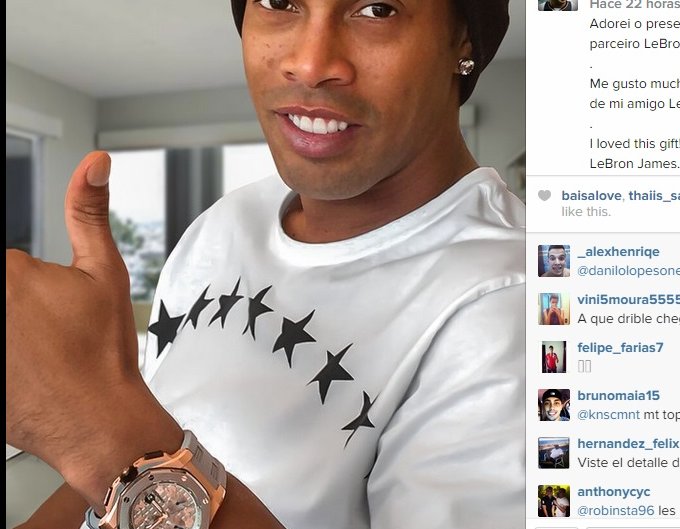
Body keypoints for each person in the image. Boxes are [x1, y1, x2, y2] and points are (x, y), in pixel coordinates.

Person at [5, 1, 523, 528]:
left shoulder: (512, 303)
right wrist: (108, 408)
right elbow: (127, 471)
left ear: (463, 39)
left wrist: (91, 423)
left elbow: (119, 451)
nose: (311, 63)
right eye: (279, 2)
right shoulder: (226, 221)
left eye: (377, 9)